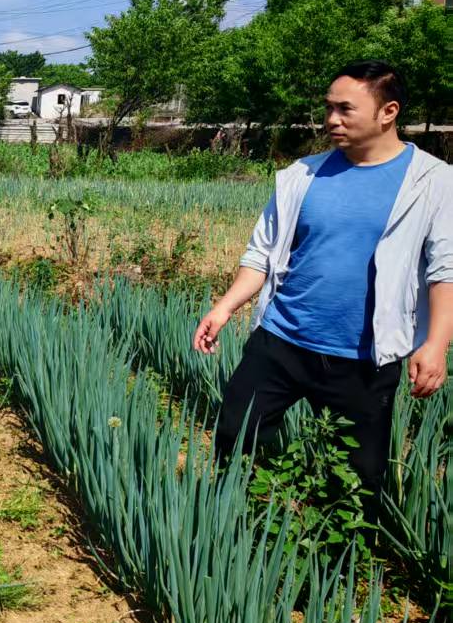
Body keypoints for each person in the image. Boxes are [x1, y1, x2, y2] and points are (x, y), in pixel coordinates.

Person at [193, 60, 453, 520]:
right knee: (235, 433)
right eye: (328, 108)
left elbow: (444, 269)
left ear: (387, 111)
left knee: (356, 478)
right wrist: (224, 308)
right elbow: (262, 254)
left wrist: (436, 344)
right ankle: (242, 526)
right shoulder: (302, 175)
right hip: (282, 339)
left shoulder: (432, 181)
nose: (330, 119)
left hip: (365, 356)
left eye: (345, 109)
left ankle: (340, 571)